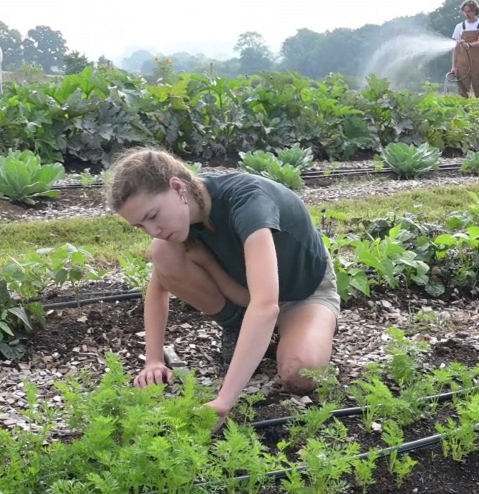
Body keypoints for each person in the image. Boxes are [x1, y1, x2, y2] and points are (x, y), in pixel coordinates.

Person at [106, 148, 340, 425]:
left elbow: (266, 305)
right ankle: (238, 326)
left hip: (304, 292)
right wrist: (153, 361)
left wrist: (223, 400)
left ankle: (287, 333)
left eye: (153, 215)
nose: (152, 230)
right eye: (140, 226)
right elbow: (158, 288)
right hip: (246, 293)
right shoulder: (179, 221)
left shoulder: (247, 200)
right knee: (163, 252)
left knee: (301, 374)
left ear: (177, 187)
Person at [448, 0, 479, 98]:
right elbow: (456, 48)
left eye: (469, 11)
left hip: (477, 62)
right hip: (462, 63)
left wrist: (470, 45)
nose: (466, 14)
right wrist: (454, 66)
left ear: (475, 11)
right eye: (465, 11)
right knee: (462, 92)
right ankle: (464, 111)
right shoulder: (459, 26)